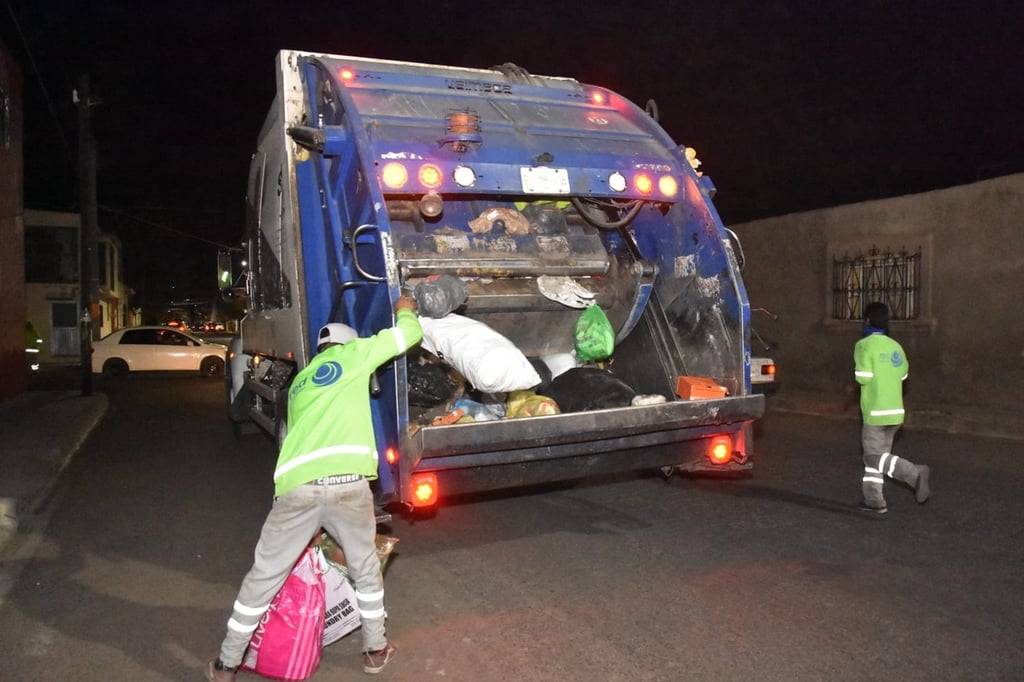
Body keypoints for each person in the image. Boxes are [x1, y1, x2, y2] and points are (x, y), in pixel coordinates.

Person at [206, 294, 422, 680]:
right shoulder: (356, 356)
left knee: (264, 577)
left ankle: (226, 663)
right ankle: (375, 651)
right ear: (348, 343)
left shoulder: (301, 382)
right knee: (365, 570)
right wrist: (405, 307)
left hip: (297, 489)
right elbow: (409, 334)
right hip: (348, 486)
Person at [854, 301, 931, 514]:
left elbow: (863, 377)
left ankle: (915, 473)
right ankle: (874, 500)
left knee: (872, 457)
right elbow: (903, 374)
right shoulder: (895, 346)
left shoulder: (864, 345)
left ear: (867, 320)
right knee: (878, 458)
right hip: (895, 412)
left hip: (875, 412)